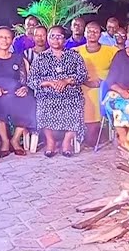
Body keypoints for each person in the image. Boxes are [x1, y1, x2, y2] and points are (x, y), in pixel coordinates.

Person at [30, 25, 89, 157]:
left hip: (70, 92)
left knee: (75, 104)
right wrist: (49, 83)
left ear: (64, 39)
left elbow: (83, 75)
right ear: (48, 39)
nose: (56, 39)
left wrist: (66, 81)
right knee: (43, 105)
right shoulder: (41, 58)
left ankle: (66, 142)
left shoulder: (74, 55)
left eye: (59, 36)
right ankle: (50, 141)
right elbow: (32, 80)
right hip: (47, 93)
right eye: (52, 36)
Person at [0, 25, 36, 157]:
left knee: (29, 100)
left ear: (12, 40)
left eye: (8, 37)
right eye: (1, 37)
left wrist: (24, 88)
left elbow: (24, 81)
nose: (4, 40)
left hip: (15, 93)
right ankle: (4, 141)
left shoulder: (18, 58)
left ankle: (15, 140)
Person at [75, 21, 118, 146]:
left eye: (95, 31)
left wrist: (104, 82)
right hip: (83, 86)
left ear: (100, 34)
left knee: (102, 95)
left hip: (106, 87)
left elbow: (118, 70)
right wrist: (86, 82)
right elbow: (71, 72)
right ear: (84, 33)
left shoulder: (112, 51)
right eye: (89, 31)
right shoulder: (75, 51)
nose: (92, 34)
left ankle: (101, 131)